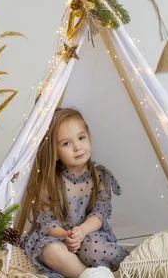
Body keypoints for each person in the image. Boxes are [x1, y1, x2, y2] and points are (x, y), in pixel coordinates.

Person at [20, 108, 127, 278]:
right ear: (54, 152)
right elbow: (47, 222)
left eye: (81, 138)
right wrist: (67, 235)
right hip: (61, 238)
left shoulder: (99, 176)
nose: (77, 147)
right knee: (50, 252)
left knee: (94, 247)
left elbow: (100, 213)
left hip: (90, 234)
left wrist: (82, 231)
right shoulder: (50, 181)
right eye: (66, 143)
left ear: (89, 137)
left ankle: (112, 269)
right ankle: (89, 274)